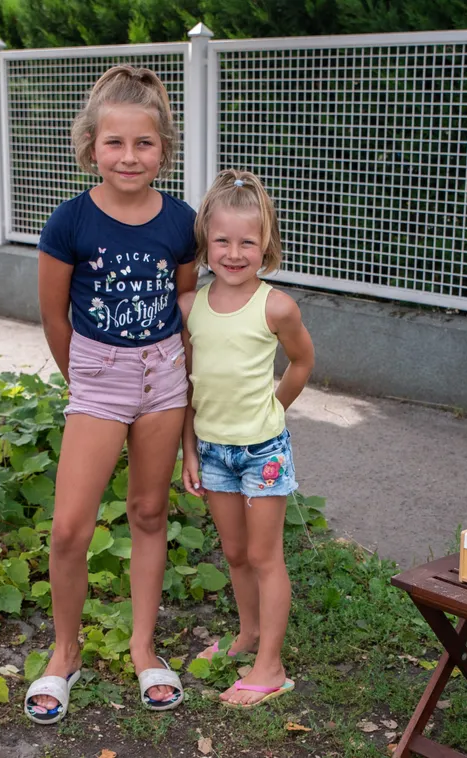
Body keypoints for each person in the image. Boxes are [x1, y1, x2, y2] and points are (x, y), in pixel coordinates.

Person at [25, 65, 197, 723]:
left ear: (163, 149)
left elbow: (184, 298)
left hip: (164, 380)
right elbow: (53, 317)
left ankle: (142, 646)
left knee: (149, 512)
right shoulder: (68, 223)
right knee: (70, 527)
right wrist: (89, 381)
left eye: (143, 144)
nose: (129, 157)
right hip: (97, 378)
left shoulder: (180, 221)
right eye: (115, 143)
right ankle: (64, 653)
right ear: (90, 146)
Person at [179, 169, 315, 707]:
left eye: (248, 242)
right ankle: (248, 635)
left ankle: (271, 666)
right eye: (222, 241)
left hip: (262, 452)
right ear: (206, 245)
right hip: (212, 451)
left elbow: (302, 362)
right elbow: (189, 386)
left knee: (264, 556)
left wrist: (273, 409)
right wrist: (189, 450)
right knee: (235, 554)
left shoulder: (275, 306)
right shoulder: (191, 308)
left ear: (266, 246)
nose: (234, 253)